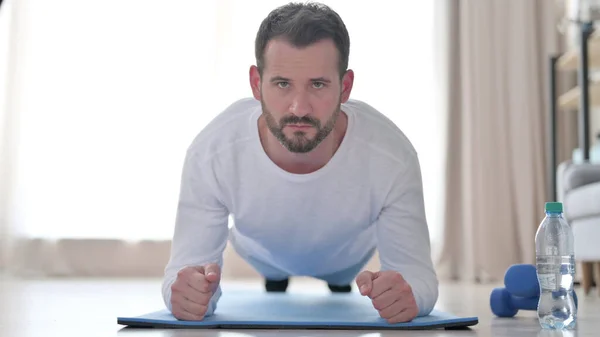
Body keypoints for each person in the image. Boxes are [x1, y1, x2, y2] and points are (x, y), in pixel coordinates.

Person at [162, 1, 438, 324]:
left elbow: (419, 279)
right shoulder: (212, 153)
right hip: (261, 253)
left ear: (345, 87)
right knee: (272, 272)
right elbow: (180, 277)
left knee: (340, 276)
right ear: (256, 84)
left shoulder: (393, 158)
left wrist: (407, 295)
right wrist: (190, 295)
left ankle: (336, 282)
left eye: (318, 84)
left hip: (347, 259)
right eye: (282, 84)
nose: (299, 107)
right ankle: (277, 276)